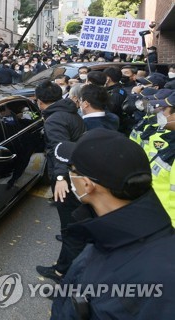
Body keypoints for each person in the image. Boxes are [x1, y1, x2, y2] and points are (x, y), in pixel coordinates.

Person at [51, 128, 175, 319]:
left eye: (71, 170)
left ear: (87, 184)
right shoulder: (108, 233)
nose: (69, 176)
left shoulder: (159, 278)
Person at [34, 80, 87, 282]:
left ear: (40, 101)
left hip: (68, 179)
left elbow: (60, 150)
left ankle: (63, 272)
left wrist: (59, 177)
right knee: (73, 224)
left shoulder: (55, 119)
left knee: (69, 227)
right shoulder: (69, 113)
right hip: (76, 174)